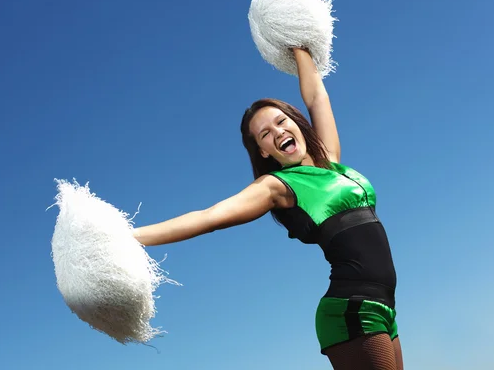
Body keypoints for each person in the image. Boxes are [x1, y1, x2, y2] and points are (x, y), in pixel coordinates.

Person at [133, 47, 404, 370]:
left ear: (297, 123)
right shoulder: (276, 187)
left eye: (281, 121)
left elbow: (317, 96)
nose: (278, 132)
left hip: (384, 306)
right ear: (262, 150)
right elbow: (210, 217)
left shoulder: (331, 162)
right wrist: (128, 237)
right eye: (266, 133)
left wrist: (297, 41)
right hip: (351, 309)